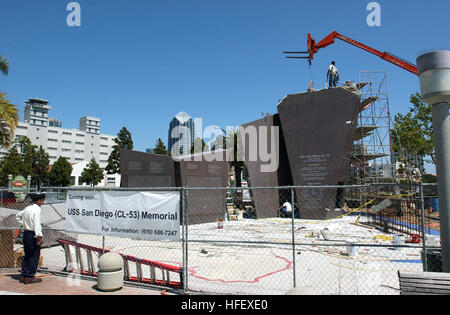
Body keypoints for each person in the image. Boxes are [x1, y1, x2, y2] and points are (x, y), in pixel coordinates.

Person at [16, 193, 46, 284]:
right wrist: (39, 236)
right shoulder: (37, 210)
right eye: (42, 200)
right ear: (38, 201)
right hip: (33, 234)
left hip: (26, 233)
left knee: (27, 255)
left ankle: (24, 274)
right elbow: (37, 224)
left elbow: (18, 216)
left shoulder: (28, 208)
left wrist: (24, 224)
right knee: (34, 255)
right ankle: (30, 276)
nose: (43, 202)